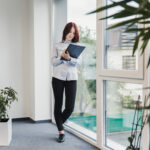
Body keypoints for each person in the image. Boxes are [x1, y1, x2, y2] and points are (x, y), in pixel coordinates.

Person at [51, 22, 82, 143]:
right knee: (58, 104)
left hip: (72, 78)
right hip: (58, 77)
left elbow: (79, 62)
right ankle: (61, 132)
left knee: (70, 107)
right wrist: (61, 58)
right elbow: (53, 62)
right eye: (70, 32)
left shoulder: (77, 46)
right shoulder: (57, 45)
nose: (71, 35)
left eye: (74, 33)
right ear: (65, 32)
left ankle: (59, 123)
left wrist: (70, 59)